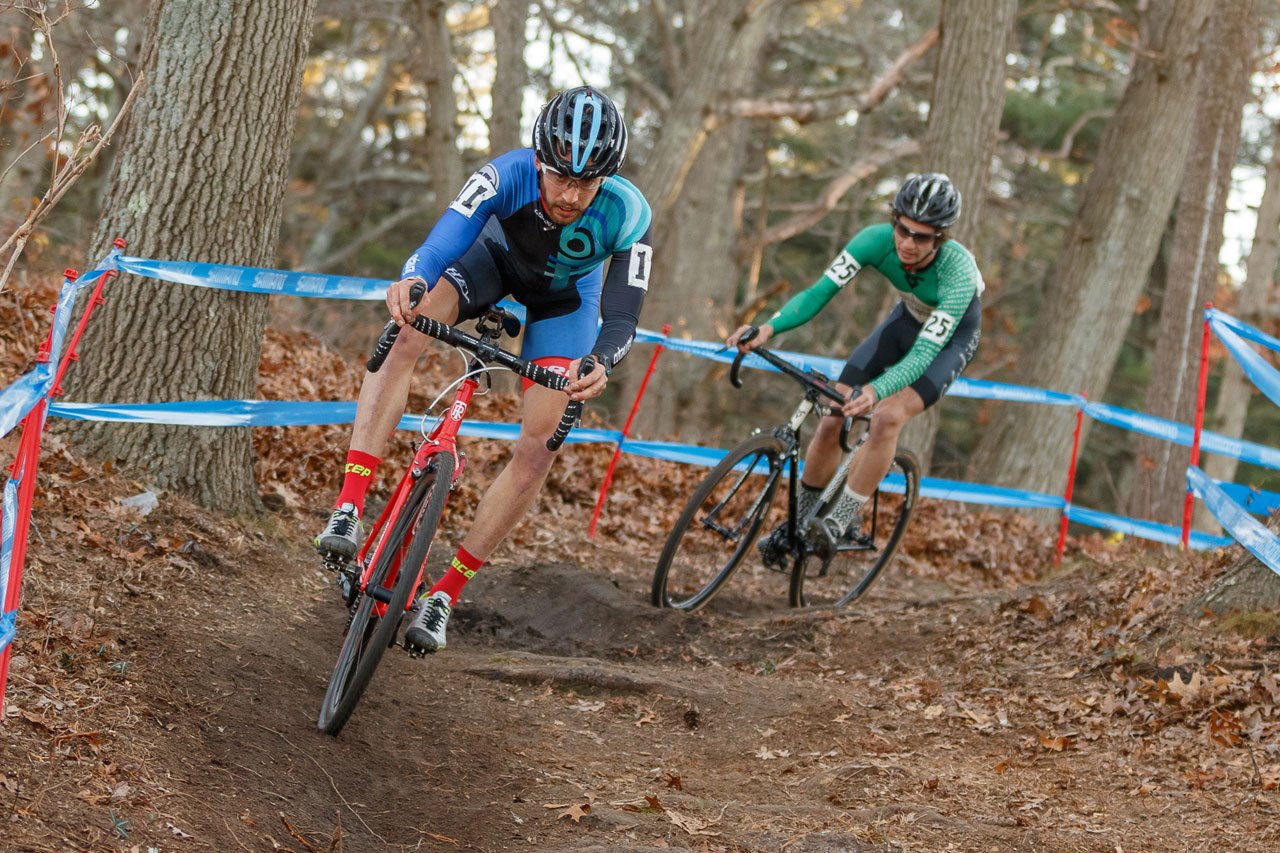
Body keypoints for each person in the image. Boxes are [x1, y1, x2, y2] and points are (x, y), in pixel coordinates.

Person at [315, 85, 653, 655]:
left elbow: (623, 313)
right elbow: (443, 240)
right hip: (490, 265)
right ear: (540, 161)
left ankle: (446, 591)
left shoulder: (629, 212)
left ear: (607, 179)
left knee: (541, 446)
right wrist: (415, 278)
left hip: (564, 307)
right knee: (406, 333)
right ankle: (349, 505)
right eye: (560, 178)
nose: (571, 196)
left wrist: (602, 360)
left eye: (586, 184)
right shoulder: (507, 174)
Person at [728, 173, 981, 563]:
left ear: (941, 237)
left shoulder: (958, 274)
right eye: (903, 229)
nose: (908, 243)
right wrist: (767, 327)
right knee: (833, 415)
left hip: (948, 341)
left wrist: (877, 392)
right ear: (894, 220)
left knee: (887, 416)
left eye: (923, 237)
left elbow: (922, 355)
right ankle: (801, 521)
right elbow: (819, 292)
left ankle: (842, 518)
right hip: (907, 319)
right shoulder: (873, 240)